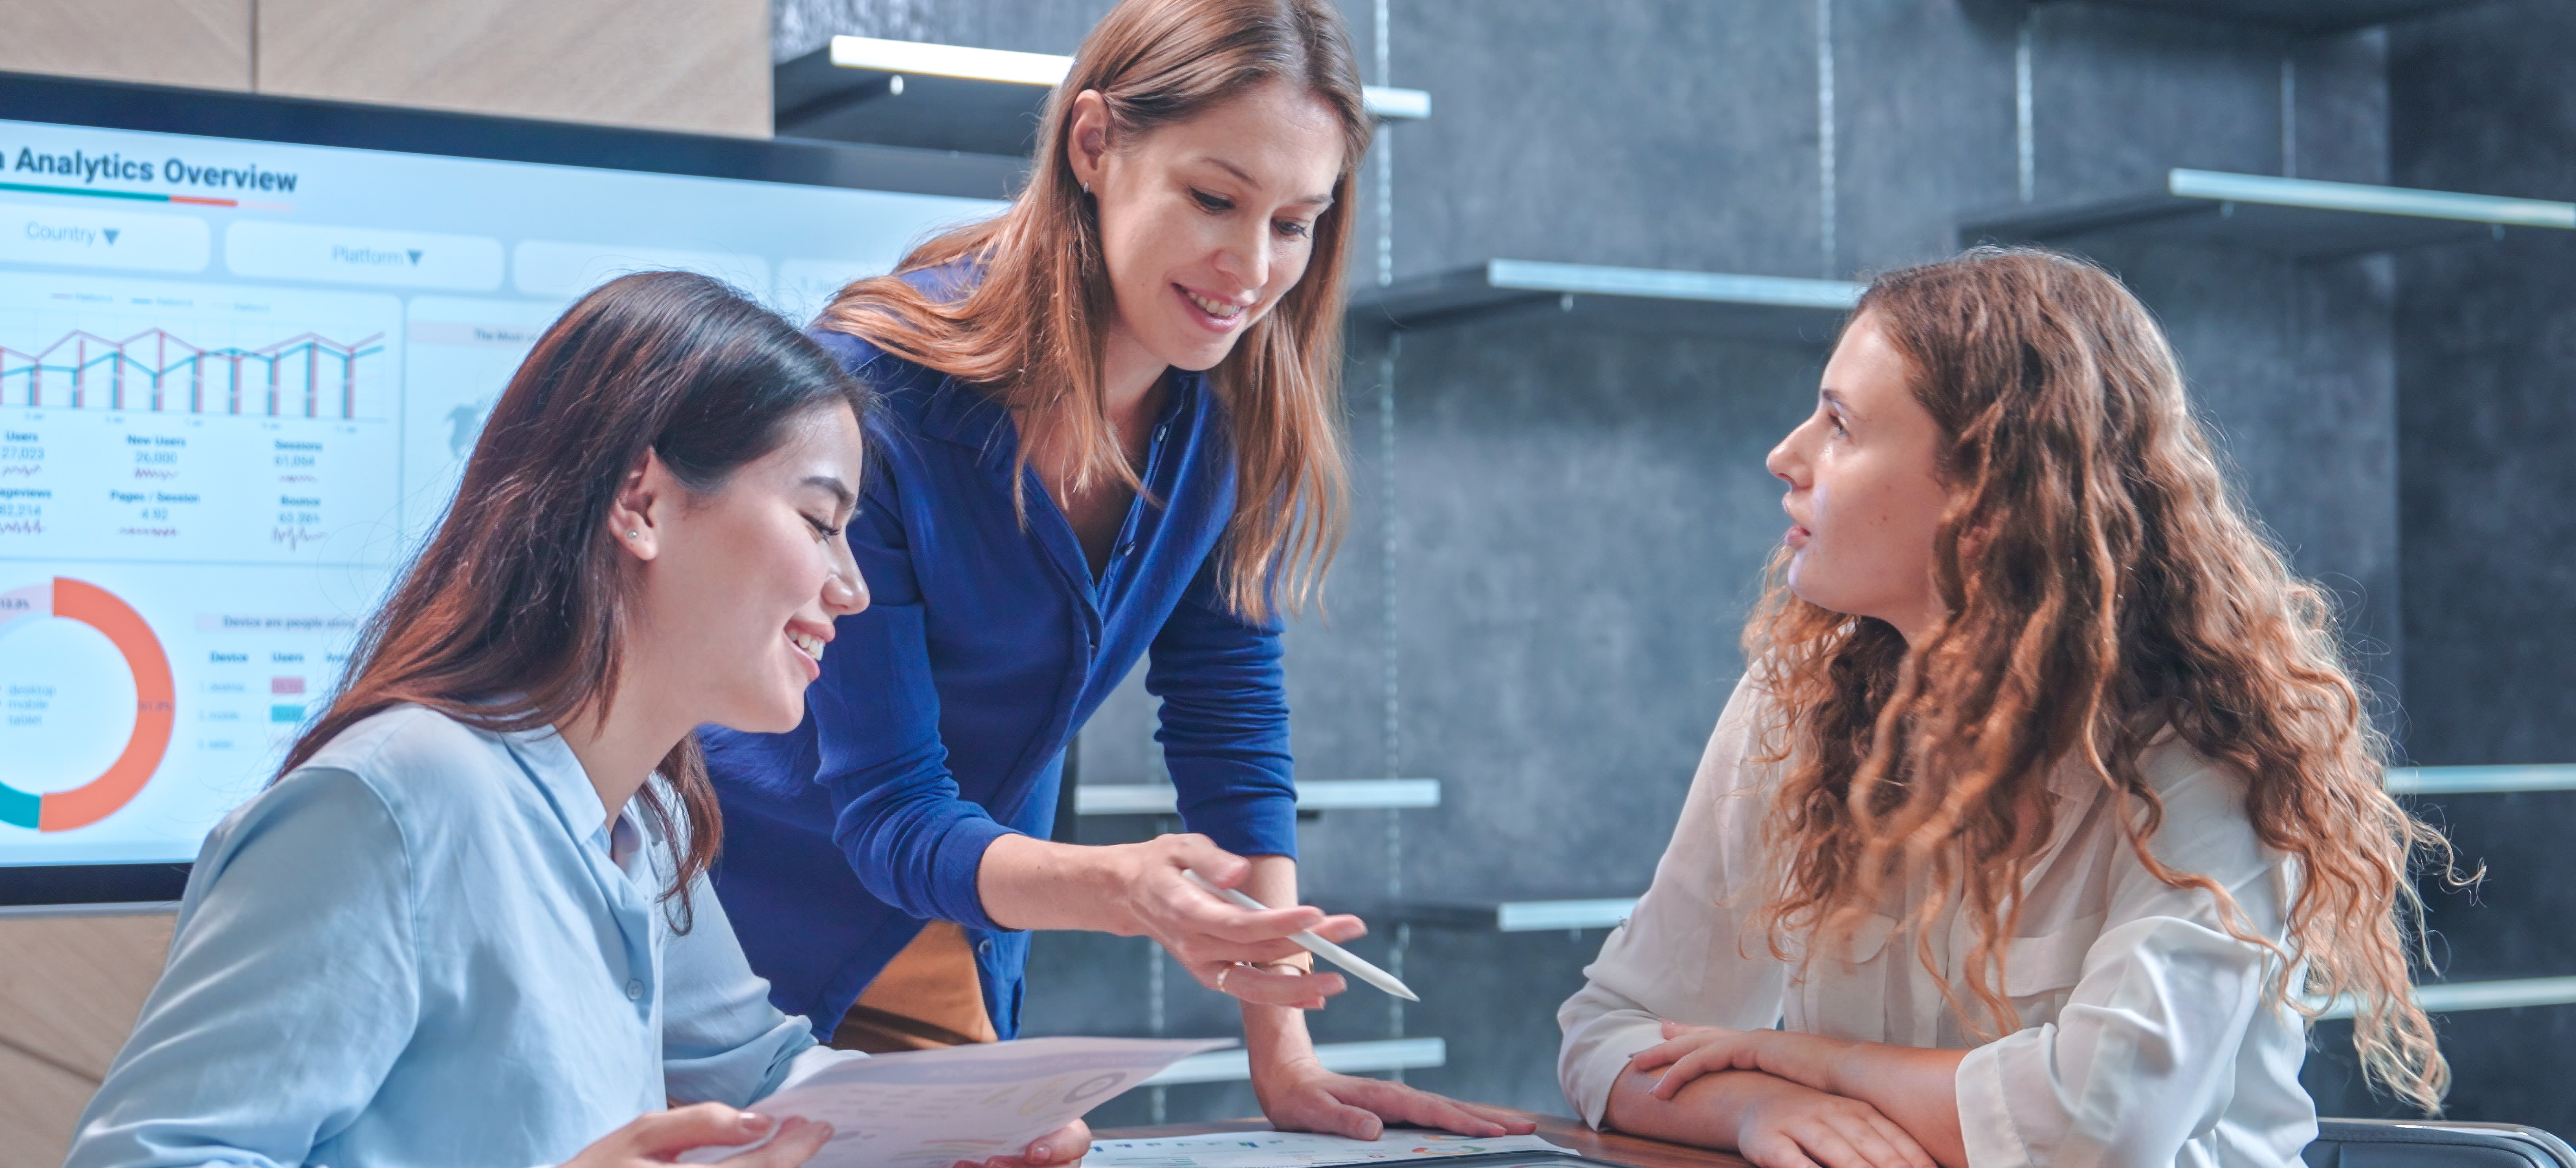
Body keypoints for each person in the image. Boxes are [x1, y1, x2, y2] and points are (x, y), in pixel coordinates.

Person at [701, 0, 1525, 1140]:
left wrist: (1285, 1055)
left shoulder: (1227, 420)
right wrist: (1123, 890)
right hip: (736, 928)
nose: (1251, 267)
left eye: (1296, 222)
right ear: (1095, 144)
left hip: (954, 931)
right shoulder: (876, 398)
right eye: (1214, 198)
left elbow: (1233, 738)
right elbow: (888, 809)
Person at [63, 272, 1087, 1168]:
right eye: (820, 522)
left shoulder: (650, 816)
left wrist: (968, 1131)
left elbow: (764, 1075)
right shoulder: (390, 801)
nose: (853, 586)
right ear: (642, 500)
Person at [1556, 248, 2453, 1168]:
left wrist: (1808, 1059)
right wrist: (1751, 1105)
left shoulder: (2203, 750)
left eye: (1841, 426)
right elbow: (1613, 1029)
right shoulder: (1801, 699)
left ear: (1986, 498)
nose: (1785, 456)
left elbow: (2100, 1131)